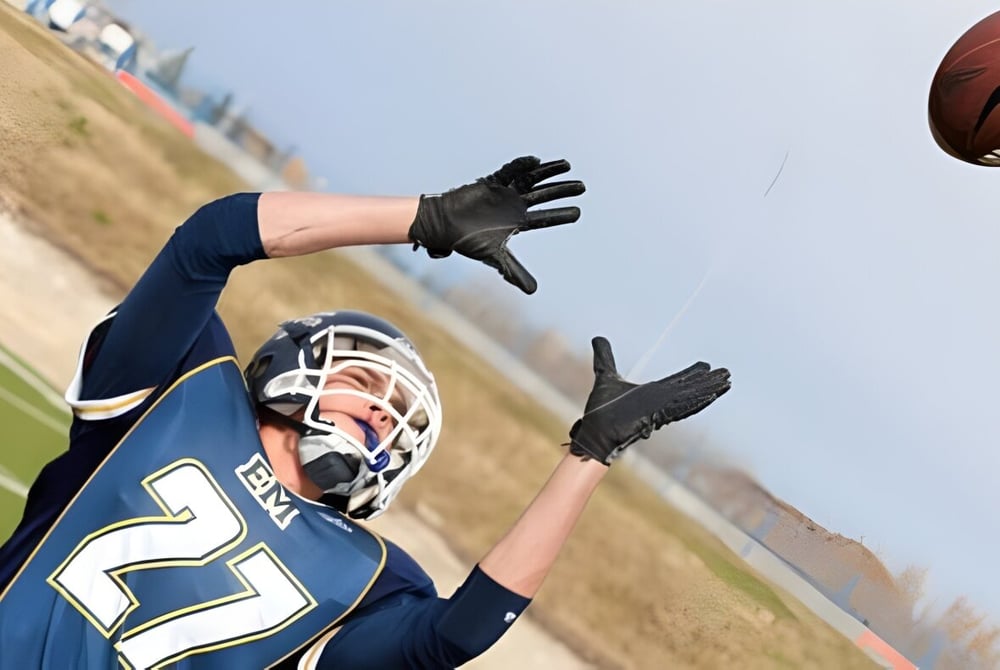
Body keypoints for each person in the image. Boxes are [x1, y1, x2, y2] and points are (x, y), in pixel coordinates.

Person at [0, 156, 731, 669]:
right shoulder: (179, 389)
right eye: (365, 382)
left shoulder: (362, 574)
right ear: (294, 364)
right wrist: (426, 218)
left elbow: (455, 635)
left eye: (401, 418)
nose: (384, 413)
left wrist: (590, 453)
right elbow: (208, 242)